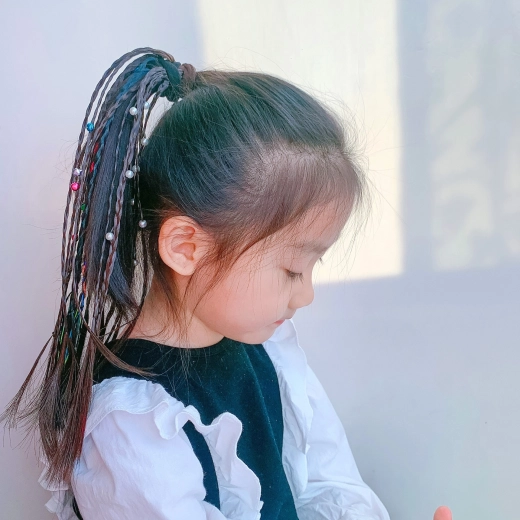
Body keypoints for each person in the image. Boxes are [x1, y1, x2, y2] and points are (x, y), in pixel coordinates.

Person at [1, 47, 452, 520]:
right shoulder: (133, 422)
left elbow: (326, 481)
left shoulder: (270, 348)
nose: (306, 295)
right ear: (186, 247)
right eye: (292, 270)